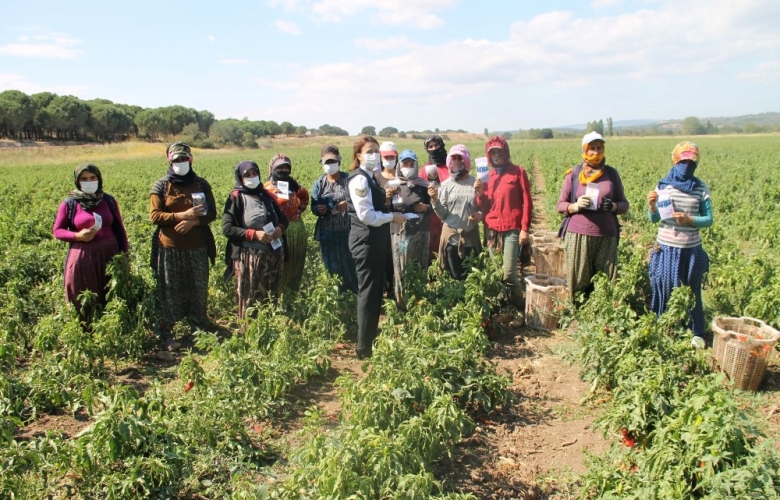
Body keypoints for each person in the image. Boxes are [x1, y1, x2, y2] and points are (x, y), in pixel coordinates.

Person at [150, 142, 217, 351]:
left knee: (197, 288)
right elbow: (155, 216)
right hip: (170, 249)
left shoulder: (201, 184)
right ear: (170, 161)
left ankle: (198, 329)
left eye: (184, 159)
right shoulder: (161, 186)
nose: (181, 163)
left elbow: (211, 213)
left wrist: (194, 222)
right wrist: (182, 215)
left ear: (191, 160)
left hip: (197, 246)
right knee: (170, 289)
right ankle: (167, 333)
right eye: (176, 160)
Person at [347, 136, 407, 359]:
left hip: (375, 241)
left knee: (374, 292)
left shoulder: (371, 177)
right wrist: (392, 216)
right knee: (368, 293)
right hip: (366, 242)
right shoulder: (360, 180)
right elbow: (366, 215)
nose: (374, 155)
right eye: (369, 151)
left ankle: (369, 340)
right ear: (359, 155)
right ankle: (364, 348)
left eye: (376, 151)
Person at [647, 141, 712, 347]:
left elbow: (709, 219)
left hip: (690, 249)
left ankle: (696, 331)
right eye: (683, 162)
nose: (687, 166)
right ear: (675, 161)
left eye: (691, 163)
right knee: (665, 288)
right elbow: (654, 219)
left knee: (692, 291)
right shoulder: (663, 186)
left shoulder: (700, 188)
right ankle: (666, 325)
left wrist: (690, 220)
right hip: (666, 247)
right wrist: (651, 206)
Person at [556, 132, 629, 301]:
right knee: (579, 281)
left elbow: (624, 204)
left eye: (599, 147)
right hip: (579, 234)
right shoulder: (574, 174)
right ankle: (578, 314)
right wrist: (575, 206)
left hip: (606, 235)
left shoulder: (611, 174)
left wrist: (613, 206)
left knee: (605, 281)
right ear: (585, 150)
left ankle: (600, 316)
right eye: (591, 148)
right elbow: (560, 205)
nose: (595, 152)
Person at [53, 163, 129, 324]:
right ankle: (86, 332)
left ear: (99, 179)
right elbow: (58, 231)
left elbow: (119, 230)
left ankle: (110, 330)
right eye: (84, 178)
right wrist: (78, 235)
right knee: (83, 296)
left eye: (93, 178)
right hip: (83, 256)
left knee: (110, 292)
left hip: (110, 253)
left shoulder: (108, 201)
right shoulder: (70, 204)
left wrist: (125, 255)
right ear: (77, 181)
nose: (89, 181)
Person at [222, 160, 287, 318]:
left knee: (270, 295)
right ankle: (249, 334)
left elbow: (283, 219)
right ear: (240, 178)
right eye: (247, 175)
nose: (252, 177)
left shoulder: (267, 196)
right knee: (249, 297)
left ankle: (269, 330)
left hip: (272, 253)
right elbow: (227, 228)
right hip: (249, 257)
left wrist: (280, 228)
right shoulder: (236, 198)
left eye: (254, 174)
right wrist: (254, 234)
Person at [477, 136, 533, 311]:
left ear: (505, 152)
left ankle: (521, 306)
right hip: (492, 229)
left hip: (511, 228)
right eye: (492, 152)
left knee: (508, 272)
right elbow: (484, 206)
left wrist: (524, 228)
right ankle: (503, 305)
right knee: (496, 271)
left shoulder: (518, 172)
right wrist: (479, 193)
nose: (496, 155)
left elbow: (527, 202)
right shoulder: (487, 176)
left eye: (499, 151)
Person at [429, 145, 483, 280]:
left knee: (472, 278)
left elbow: (484, 207)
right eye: (454, 158)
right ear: (449, 162)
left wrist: (478, 215)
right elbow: (443, 215)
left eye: (461, 158)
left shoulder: (475, 182)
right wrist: (434, 200)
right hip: (451, 240)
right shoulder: (445, 186)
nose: (457, 161)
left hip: (470, 238)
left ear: (467, 161)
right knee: (455, 278)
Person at [310, 144, 358, 294]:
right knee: (331, 264)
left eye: (333, 162)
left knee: (350, 261)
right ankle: (337, 294)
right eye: (327, 162)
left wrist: (348, 204)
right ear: (322, 163)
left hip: (347, 229)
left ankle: (354, 292)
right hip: (327, 232)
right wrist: (318, 209)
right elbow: (313, 206)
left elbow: (360, 201)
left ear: (339, 161)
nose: (330, 165)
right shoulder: (319, 183)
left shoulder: (348, 180)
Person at [389, 150, 432, 307]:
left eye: (411, 164)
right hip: (400, 232)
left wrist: (425, 207)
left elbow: (434, 207)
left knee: (419, 265)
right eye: (405, 163)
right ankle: (401, 303)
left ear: (415, 165)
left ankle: (418, 300)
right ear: (399, 165)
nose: (408, 167)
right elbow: (385, 209)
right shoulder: (394, 186)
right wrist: (387, 197)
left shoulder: (423, 185)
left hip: (421, 231)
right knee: (401, 266)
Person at [264, 153, 309, 294]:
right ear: (272, 169)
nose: (283, 170)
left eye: (286, 167)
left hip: (296, 229)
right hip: (279, 231)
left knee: (295, 265)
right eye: (280, 167)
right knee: (280, 267)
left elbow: (305, 195)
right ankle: (278, 297)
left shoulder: (294, 185)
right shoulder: (266, 188)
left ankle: (292, 294)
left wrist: (300, 210)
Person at [422, 134, 450, 264]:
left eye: (436, 145)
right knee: (433, 249)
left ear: (441, 145)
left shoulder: (451, 166)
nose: (433, 148)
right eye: (430, 146)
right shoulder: (426, 170)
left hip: (451, 215)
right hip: (433, 216)